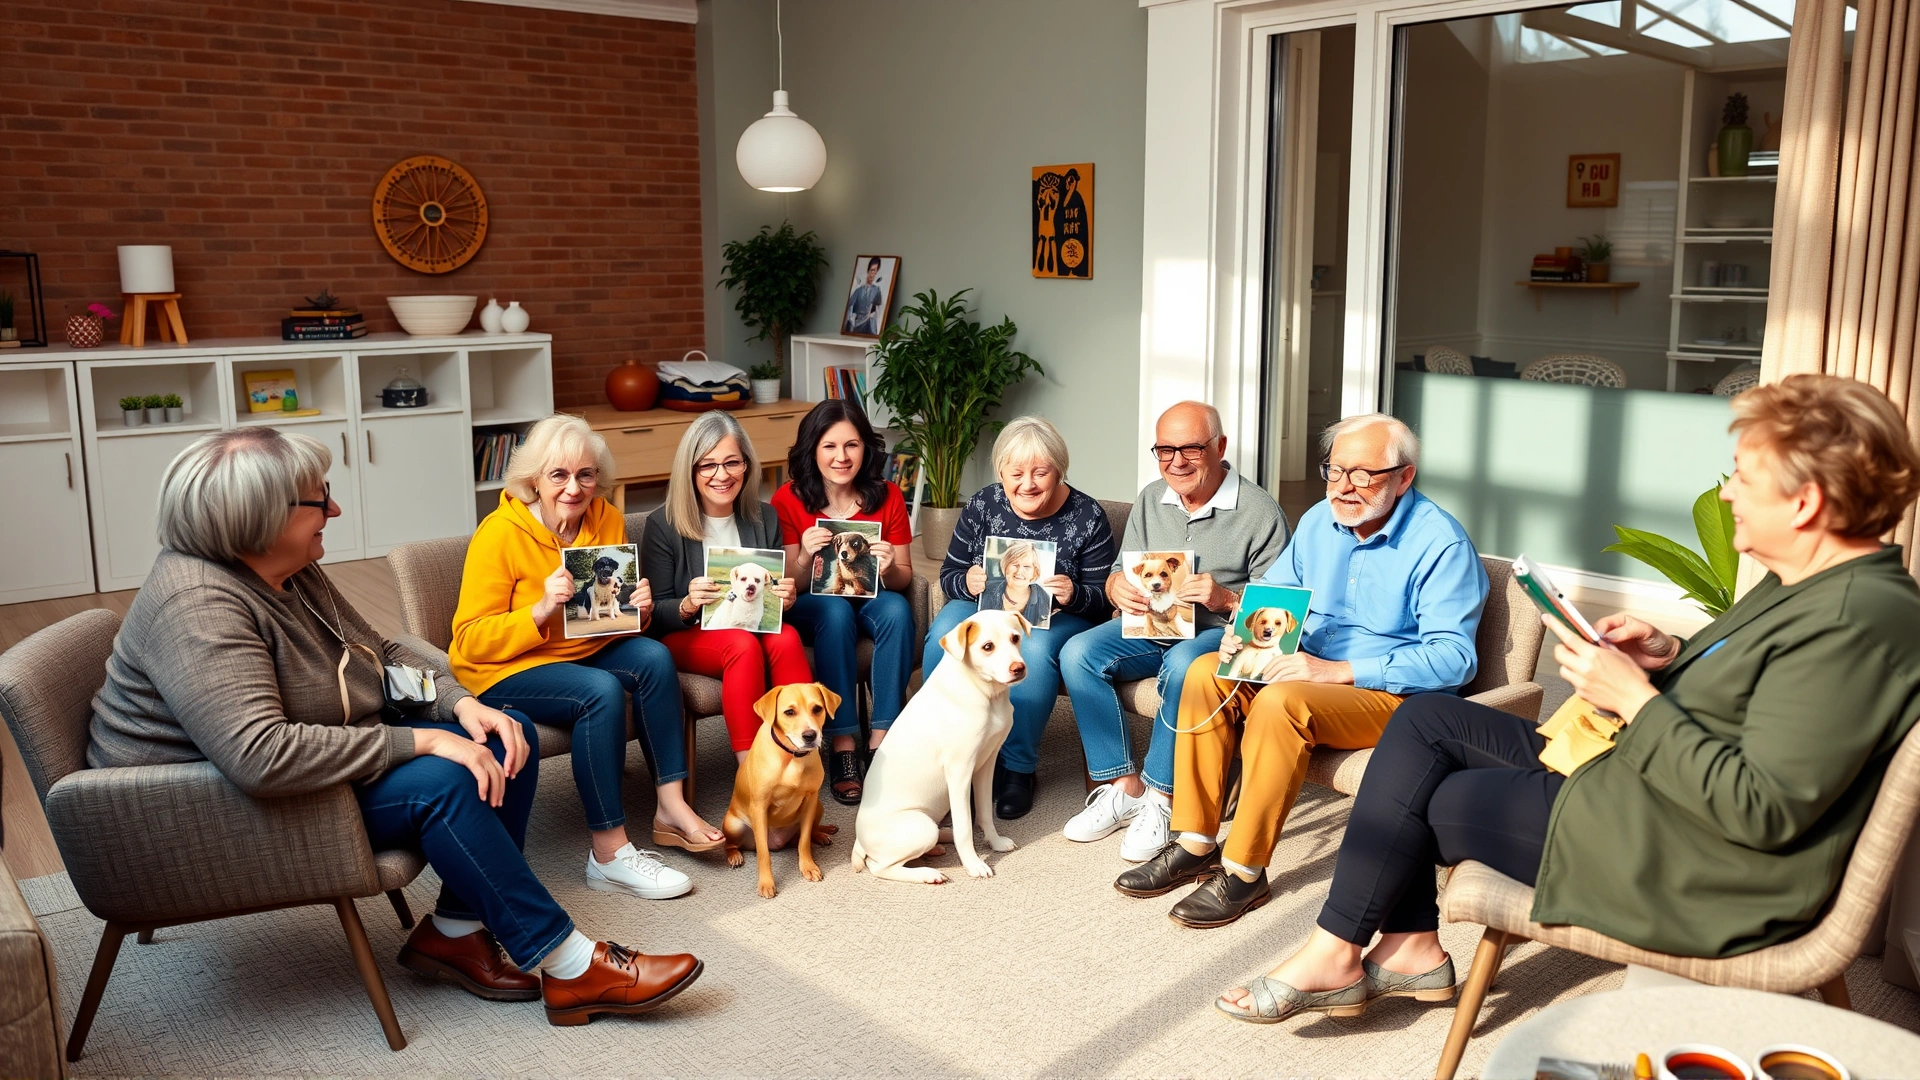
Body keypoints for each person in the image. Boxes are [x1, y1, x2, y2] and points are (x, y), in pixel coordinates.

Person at [1217, 374, 1920, 1024]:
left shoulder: (1856, 620)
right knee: (1428, 723)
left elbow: (1761, 810)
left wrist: (1637, 698)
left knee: (1424, 798)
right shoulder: (1804, 581)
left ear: (1805, 503)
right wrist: (1669, 656)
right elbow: (1752, 690)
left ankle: (1349, 952)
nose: (1727, 492)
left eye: (1743, 477)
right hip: (1638, 777)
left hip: (1690, 854)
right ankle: (1403, 952)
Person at [87, 428, 701, 1024]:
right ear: (261, 517)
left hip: (303, 765)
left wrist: (460, 706)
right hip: (198, 808)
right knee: (442, 782)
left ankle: (455, 931)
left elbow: (379, 653)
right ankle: (570, 964)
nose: (334, 507)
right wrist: (424, 739)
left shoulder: (289, 569)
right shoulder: (197, 603)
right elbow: (260, 755)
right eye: (318, 497)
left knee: (503, 732)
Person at [1116, 413, 1487, 930]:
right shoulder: (1318, 520)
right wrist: (1240, 628)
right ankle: (1197, 841)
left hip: (1390, 695)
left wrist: (1339, 671)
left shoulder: (1440, 543)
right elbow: (1275, 598)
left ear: (1404, 477)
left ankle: (1245, 870)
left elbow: (1454, 658)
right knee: (1205, 672)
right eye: (1334, 471)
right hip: (1302, 666)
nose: (1344, 487)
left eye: (1363, 474)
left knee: (1280, 702)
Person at [450, 415, 713, 907]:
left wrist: (638, 610)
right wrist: (539, 609)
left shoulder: (605, 518)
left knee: (654, 657)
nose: (574, 488)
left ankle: (671, 807)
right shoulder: (499, 535)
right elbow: (468, 642)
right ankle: (608, 855)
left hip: (583, 652)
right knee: (601, 691)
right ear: (534, 479)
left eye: (586, 475)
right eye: (559, 475)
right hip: (507, 670)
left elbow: (606, 620)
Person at [1058, 401, 1291, 860]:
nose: (1176, 462)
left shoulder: (1261, 511)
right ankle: (1123, 787)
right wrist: (1117, 587)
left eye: (1190, 448)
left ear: (1220, 447)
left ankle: (1162, 798)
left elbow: (1281, 613)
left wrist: (1224, 599)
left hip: (1218, 633)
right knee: (1076, 652)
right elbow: (1116, 573)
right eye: (1165, 450)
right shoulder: (1152, 497)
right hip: (1152, 625)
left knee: (1185, 663)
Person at [922, 415, 1115, 819]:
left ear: (1059, 470)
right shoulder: (983, 504)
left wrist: (1074, 593)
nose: (1027, 484)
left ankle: (1017, 768)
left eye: (1040, 472)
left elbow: (1103, 601)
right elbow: (948, 576)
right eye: (1016, 473)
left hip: (1057, 616)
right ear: (1001, 473)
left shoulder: (1088, 515)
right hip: (985, 606)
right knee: (944, 631)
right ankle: (944, 751)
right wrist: (969, 582)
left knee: (1035, 647)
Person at [642, 410, 810, 767]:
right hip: (690, 634)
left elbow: (774, 591)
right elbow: (654, 612)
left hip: (749, 622)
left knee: (787, 637)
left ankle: (799, 759)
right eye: (708, 465)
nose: (722, 475)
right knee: (742, 645)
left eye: (732, 462)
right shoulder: (663, 524)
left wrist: (786, 597)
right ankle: (754, 771)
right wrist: (687, 604)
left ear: (746, 466)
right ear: (691, 470)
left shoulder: (764, 516)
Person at [774, 398, 917, 805]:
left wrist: (889, 566)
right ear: (812, 449)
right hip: (813, 603)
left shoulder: (887, 494)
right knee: (835, 612)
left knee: (897, 608)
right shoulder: (789, 498)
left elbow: (903, 576)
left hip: (870, 595)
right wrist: (803, 555)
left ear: (865, 448)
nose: (842, 457)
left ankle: (882, 740)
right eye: (830, 446)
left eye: (851, 445)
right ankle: (842, 746)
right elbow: (790, 583)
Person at [979, 540, 1053, 627]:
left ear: (1034, 572)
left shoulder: (1043, 598)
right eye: (1015, 565)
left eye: (1026, 566)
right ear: (1005, 566)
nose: (1019, 571)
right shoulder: (988, 591)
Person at [844, 257, 886, 335]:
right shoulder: (858, 290)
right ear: (868, 270)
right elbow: (850, 306)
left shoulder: (876, 290)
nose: (873, 274)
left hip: (868, 324)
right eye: (872, 270)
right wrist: (851, 318)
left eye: (875, 271)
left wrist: (872, 314)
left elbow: (878, 304)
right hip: (856, 324)